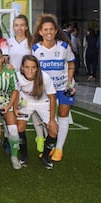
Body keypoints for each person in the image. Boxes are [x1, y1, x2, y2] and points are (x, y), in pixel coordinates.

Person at [32, 13, 75, 162]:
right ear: (40, 32)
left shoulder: (64, 46)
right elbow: (33, 70)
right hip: (45, 91)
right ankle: (50, 146)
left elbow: (71, 64)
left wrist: (70, 83)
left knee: (63, 116)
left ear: (56, 31)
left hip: (63, 87)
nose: (49, 32)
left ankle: (59, 149)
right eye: (46, 29)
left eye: (51, 29)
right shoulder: (36, 49)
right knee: (48, 120)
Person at [8, 14, 46, 153]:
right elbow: (6, 60)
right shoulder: (9, 41)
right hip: (15, 83)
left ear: (26, 27)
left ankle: (40, 138)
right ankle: (12, 142)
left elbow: (36, 64)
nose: (19, 28)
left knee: (36, 113)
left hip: (30, 82)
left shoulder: (32, 43)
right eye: (16, 25)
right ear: (13, 27)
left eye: (22, 25)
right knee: (18, 112)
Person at [15, 55, 58, 169]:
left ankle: (45, 156)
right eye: (27, 67)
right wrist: (15, 108)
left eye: (33, 67)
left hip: (43, 102)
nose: (30, 70)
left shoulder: (45, 77)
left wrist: (52, 120)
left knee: (53, 130)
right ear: (22, 67)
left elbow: (52, 98)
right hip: (25, 102)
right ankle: (24, 156)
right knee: (19, 128)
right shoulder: (17, 76)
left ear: (37, 68)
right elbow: (15, 93)